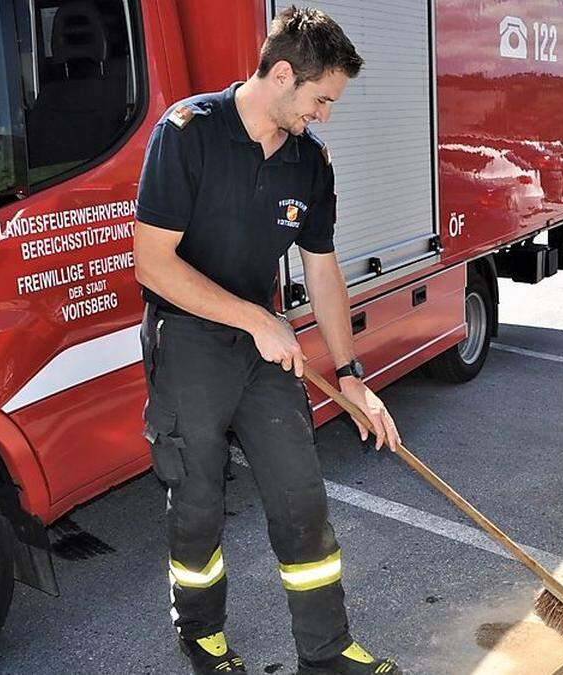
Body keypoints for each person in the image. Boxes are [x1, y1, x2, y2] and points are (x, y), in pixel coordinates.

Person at [133, 7, 403, 674]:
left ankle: (327, 650)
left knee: (300, 495)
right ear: (281, 75)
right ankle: (201, 635)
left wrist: (350, 374)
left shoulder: (309, 163)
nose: (326, 114)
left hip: (262, 347)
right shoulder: (187, 134)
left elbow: (322, 268)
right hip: (189, 336)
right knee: (197, 499)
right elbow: (152, 263)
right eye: (320, 99)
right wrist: (255, 318)